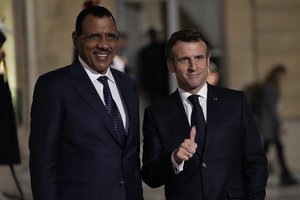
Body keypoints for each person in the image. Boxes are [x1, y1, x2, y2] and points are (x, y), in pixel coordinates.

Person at [29, 6, 143, 200]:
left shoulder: (128, 85)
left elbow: (130, 158)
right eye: (94, 36)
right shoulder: (54, 87)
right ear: (76, 39)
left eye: (110, 36)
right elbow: (43, 163)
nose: (104, 44)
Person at [141, 29, 268, 200]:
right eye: (184, 59)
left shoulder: (235, 103)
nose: (193, 67)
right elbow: (150, 176)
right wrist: (174, 158)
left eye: (199, 58)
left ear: (208, 61)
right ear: (170, 65)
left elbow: (256, 161)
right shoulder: (156, 114)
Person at [259, 64, 298, 186]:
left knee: (266, 151)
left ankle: (285, 175)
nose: (283, 78)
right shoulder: (272, 88)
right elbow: (271, 110)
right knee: (274, 149)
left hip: (267, 124)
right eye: (282, 75)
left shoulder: (268, 87)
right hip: (269, 125)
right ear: (277, 74)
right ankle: (285, 176)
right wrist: (278, 125)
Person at [138, 27, 169, 104]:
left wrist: (143, 85)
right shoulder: (163, 47)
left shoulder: (145, 51)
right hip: (163, 81)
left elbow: (143, 70)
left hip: (152, 83)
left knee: (154, 104)